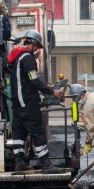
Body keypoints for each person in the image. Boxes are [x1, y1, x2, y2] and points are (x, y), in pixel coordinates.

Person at [7, 30, 62, 168]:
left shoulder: (16, 58)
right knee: (37, 132)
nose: (37, 50)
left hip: (17, 104)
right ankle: (46, 163)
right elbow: (34, 80)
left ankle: (19, 162)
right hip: (28, 104)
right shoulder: (27, 58)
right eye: (37, 46)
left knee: (19, 134)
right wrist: (51, 91)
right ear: (32, 43)